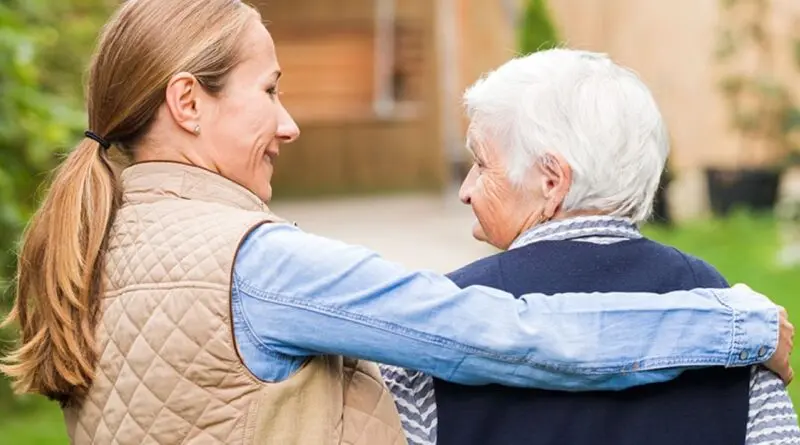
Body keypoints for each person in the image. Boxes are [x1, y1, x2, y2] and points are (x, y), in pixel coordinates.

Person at [0, 1, 792, 444]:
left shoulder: (99, 244)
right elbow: (510, 334)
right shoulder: (255, 264)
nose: (288, 123)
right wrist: (743, 327)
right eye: (269, 90)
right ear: (187, 101)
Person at [381, 49, 800, 445]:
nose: (466, 190)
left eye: (481, 163)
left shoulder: (439, 323)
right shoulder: (730, 314)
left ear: (551, 181)